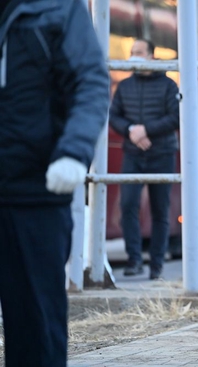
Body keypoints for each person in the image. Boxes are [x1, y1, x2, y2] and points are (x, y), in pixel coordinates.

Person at [0, 1, 110, 366]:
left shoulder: (59, 8)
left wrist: (74, 151)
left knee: (35, 327)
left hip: (35, 193)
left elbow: (89, 82)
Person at [109, 39, 180, 280]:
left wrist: (145, 130)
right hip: (133, 153)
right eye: (131, 53)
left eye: (139, 52)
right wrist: (131, 130)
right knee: (128, 205)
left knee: (161, 210)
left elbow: (175, 117)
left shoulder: (169, 85)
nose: (133, 57)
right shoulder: (125, 86)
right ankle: (134, 259)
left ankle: (157, 264)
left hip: (162, 154)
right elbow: (114, 115)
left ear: (151, 56)